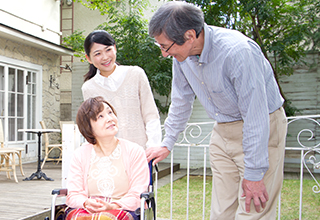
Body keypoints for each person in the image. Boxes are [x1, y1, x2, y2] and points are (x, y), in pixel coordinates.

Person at [146, 1, 287, 220]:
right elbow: (181, 101)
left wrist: (254, 173)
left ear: (190, 35)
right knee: (221, 212)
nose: (164, 54)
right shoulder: (181, 57)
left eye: (166, 46)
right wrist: (167, 142)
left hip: (261, 127)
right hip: (222, 130)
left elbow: (255, 116)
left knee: (252, 209)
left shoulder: (237, 52)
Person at [65, 96, 149, 220]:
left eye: (110, 112)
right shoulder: (80, 155)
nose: (110, 119)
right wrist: (86, 203)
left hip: (122, 209)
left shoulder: (134, 151)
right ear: (88, 127)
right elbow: (74, 194)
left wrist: (112, 206)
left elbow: (137, 194)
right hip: (87, 210)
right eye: (100, 116)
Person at [81, 30, 161, 150]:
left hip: (142, 152)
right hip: (110, 155)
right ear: (89, 58)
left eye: (108, 50)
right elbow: (94, 126)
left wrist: (153, 146)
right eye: (97, 54)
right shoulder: (88, 88)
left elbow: (151, 115)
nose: (105, 57)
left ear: (115, 48)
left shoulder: (136, 74)